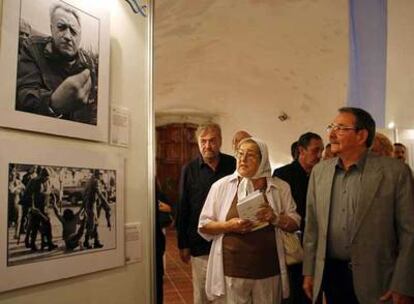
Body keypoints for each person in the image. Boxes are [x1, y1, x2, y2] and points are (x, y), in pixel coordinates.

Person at [303, 107, 414, 304]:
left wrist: (403, 282)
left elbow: (409, 232)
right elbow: (312, 228)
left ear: (361, 135)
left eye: (341, 128)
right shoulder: (320, 173)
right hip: (332, 275)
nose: (331, 134)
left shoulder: (395, 173)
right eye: (331, 127)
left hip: (379, 278)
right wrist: (309, 272)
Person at [198, 137, 300, 303]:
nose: (242, 159)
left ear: (263, 160)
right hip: (232, 270)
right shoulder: (221, 186)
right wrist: (228, 225)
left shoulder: (280, 187)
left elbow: (295, 223)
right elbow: (204, 225)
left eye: (250, 155)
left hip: (268, 269)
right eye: (240, 154)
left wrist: (275, 218)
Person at [176, 123, 236, 304]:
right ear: (198, 143)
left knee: (227, 295)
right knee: (202, 295)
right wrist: (183, 244)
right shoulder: (189, 169)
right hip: (200, 244)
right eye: (203, 141)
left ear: (220, 141)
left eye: (212, 141)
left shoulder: (233, 164)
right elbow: (183, 207)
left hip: (229, 242)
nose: (208, 145)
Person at [16, 3, 98, 124]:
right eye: (61, 27)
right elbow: (24, 94)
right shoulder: (33, 48)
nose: (68, 36)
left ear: (79, 36)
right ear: (52, 28)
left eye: (73, 31)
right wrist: (53, 103)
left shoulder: (88, 62)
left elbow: (93, 110)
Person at [273, 132, 324, 304]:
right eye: (315, 150)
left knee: (314, 293)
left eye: (321, 151)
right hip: (294, 242)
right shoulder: (283, 175)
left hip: (316, 243)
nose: (319, 155)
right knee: (294, 293)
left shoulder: (322, 174)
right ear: (301, 150)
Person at [25, 167, 57, 252]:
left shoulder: (47, 181)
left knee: (47, 225)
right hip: (36, 207)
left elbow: (50, 191)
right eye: (45, 176)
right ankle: (33, 244)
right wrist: (32, 207)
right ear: (41, 175)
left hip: (44, 206)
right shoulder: (34, 181)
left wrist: (53, 197)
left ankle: (47, 243)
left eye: (48, 177)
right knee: (35, 226)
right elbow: (29, 195)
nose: (47, 178)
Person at [82, 170, 107, 249]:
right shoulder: (95, 181)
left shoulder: (90, 180)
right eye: (101, 174)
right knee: (92, 224)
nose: (101, 176)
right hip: (91, 204)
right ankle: (86, 241)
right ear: (98, 174)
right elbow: (99, 193)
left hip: (91, 204)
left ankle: (96, 241)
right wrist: (106, 203)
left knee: (95, 223)